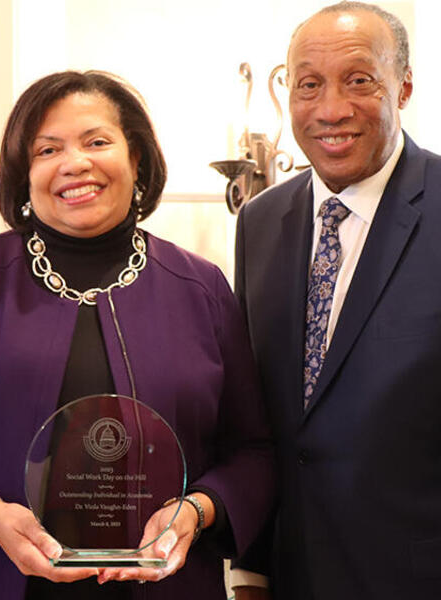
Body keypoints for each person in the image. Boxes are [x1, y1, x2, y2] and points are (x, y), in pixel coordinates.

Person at [0, 70, 274, 599]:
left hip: (165, 585)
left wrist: (196, 512)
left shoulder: (201, 288)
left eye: (97, 141)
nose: (74, 163)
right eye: (46, 149)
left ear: (138, 161)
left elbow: (252, 452)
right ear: (24, 175)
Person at [232, 2, 441, 599]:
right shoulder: (259, 221)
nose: (331, 109)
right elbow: (257, 418)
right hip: (292, 575)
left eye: (359, 81)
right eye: (308, 85)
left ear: (402, 87)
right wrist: (250, 570)